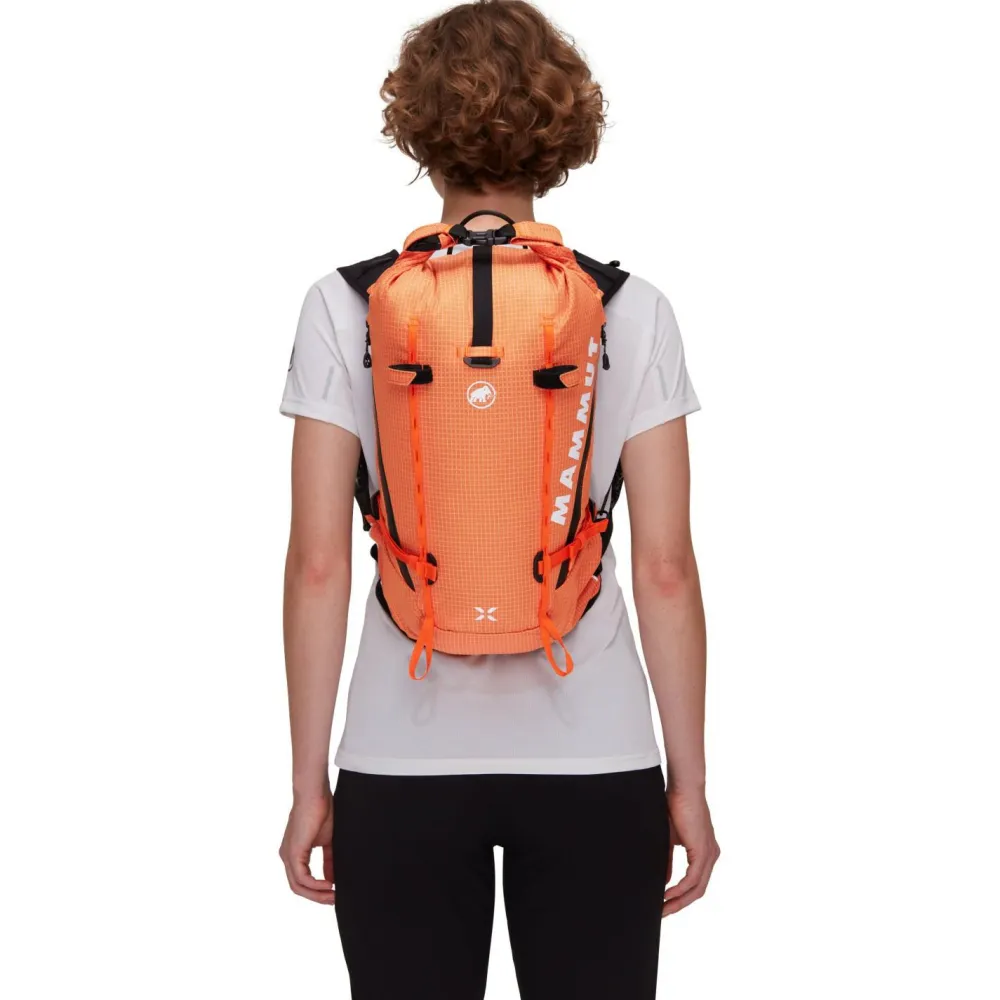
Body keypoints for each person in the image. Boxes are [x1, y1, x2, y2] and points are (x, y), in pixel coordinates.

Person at [278, 1, 719, 997]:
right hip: (597, 756)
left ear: (414, 123)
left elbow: (318, 562)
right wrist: (686, 783)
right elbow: (665, 569)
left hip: (399, 757)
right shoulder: (629, 308)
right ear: (565, 127)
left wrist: (310, 783)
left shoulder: (345, 303)